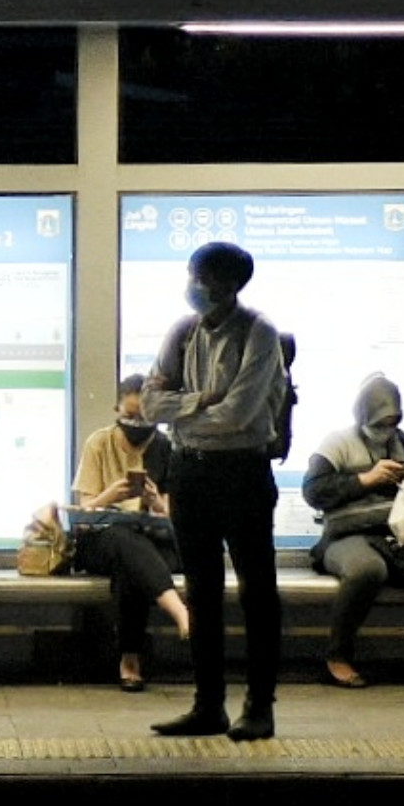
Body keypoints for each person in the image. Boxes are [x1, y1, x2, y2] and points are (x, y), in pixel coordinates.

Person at [141, 240, 292, 742]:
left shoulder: (260, 333)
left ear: (230, 285)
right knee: (201, 592)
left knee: (256, 591)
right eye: (192, 275)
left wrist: (184, 409)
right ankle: (208, 705)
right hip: (189, 472)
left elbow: (240, 415)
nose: (194, 287)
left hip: (243, 474)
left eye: (202, 278)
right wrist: (202, 401)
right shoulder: (182, 331)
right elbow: (148, 404)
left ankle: (259, 707)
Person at [303, 374, 404, 690]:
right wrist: (365, 479)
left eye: (392, 422)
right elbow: (313, 490)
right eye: (379, 423)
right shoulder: (337, 443)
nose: (385, 430)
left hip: (402, 536)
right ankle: (338, 655)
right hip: (349, 536)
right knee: (366, 569)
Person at [69, 375, 193, 692]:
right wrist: (110, 496)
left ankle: (129, 658)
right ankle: (179, 611)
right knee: (123, 539)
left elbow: (181, 517)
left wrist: (156, 502)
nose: (137, 424)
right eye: (130, 416)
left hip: (153, 541)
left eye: (145, 417)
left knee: (131, 563)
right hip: (101, 540)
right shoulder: (100, 442)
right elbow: (84, 512)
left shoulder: (167, 448)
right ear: (116, 410)